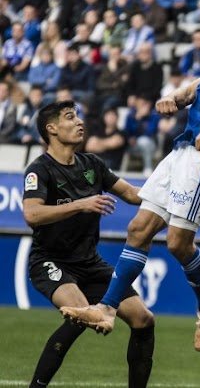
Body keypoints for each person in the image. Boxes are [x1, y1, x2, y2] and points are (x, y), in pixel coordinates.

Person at [60, 0, 200, 353]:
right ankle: (106, 310)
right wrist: (172, 97)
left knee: (176, 242)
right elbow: (191, 91)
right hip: (182, 151)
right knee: (138, 229)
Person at [22, 101, 155, 388]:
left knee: (144, 320)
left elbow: (133, 194)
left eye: (79, 116)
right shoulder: (39, 170)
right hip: (51, 261)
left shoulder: (92, 164)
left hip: (89, 263)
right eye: (70, 117)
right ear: (52, 128)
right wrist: (79, 205)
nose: (80, 122)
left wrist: (175, 197)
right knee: (80, 314)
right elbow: (32, 214)